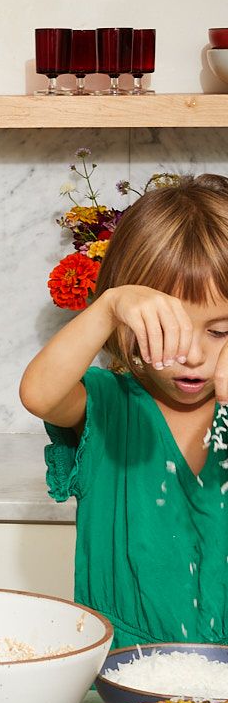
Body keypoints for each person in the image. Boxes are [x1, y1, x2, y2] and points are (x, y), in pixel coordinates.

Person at [19, 173, 228, 647]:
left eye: (219, 331)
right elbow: (40, 395)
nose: (194, 356)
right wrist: (109, 306)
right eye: (167, 330)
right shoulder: (107, 407)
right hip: (122, 678)